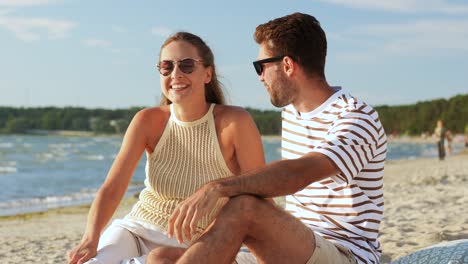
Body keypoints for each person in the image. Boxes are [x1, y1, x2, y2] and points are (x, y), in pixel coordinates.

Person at [147, 13, 387, 264]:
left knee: (244, 205)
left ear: (287, 65)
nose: (260, 77)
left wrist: (217, 187)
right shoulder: (292, 114)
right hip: (295, 246)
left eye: (261, 67)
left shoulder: (357, 117)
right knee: (161, 258)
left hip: (344, 255)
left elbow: (302, 171)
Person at [67, 31, 264, 264]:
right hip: (138, 231)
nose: (175, 74)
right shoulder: (147, 121)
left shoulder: (234, 122)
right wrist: (91, 238)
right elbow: (113, 187)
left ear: (208, 73)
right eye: (166, 67)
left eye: (187, 65)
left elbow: (260, 194)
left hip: (203, 242)